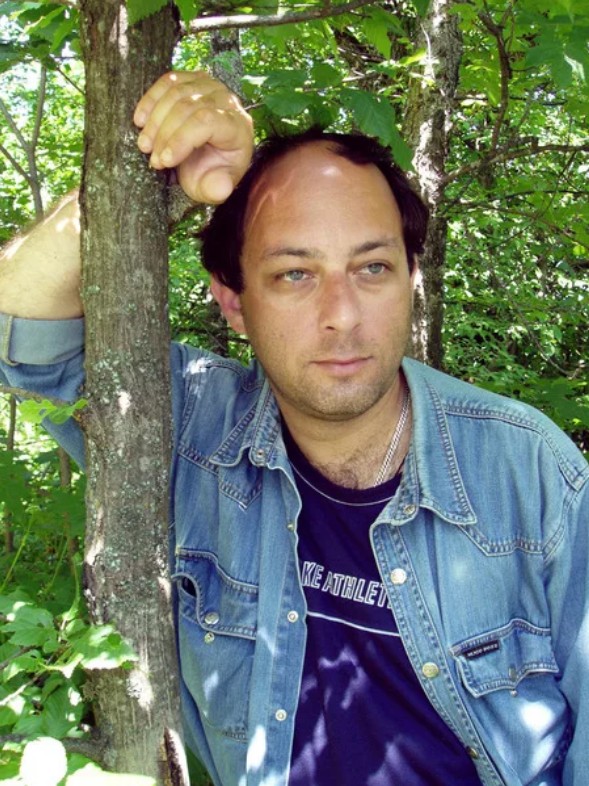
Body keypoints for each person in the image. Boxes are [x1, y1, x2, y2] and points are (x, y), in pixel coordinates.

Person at [0, 71, 588, 786]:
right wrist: (167, 172)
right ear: (233, 302)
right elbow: (21, 332)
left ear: (410, 279)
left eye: (372, 267)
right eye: (294, 275)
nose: (341, 314)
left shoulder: (529, 472)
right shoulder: (189, 430)